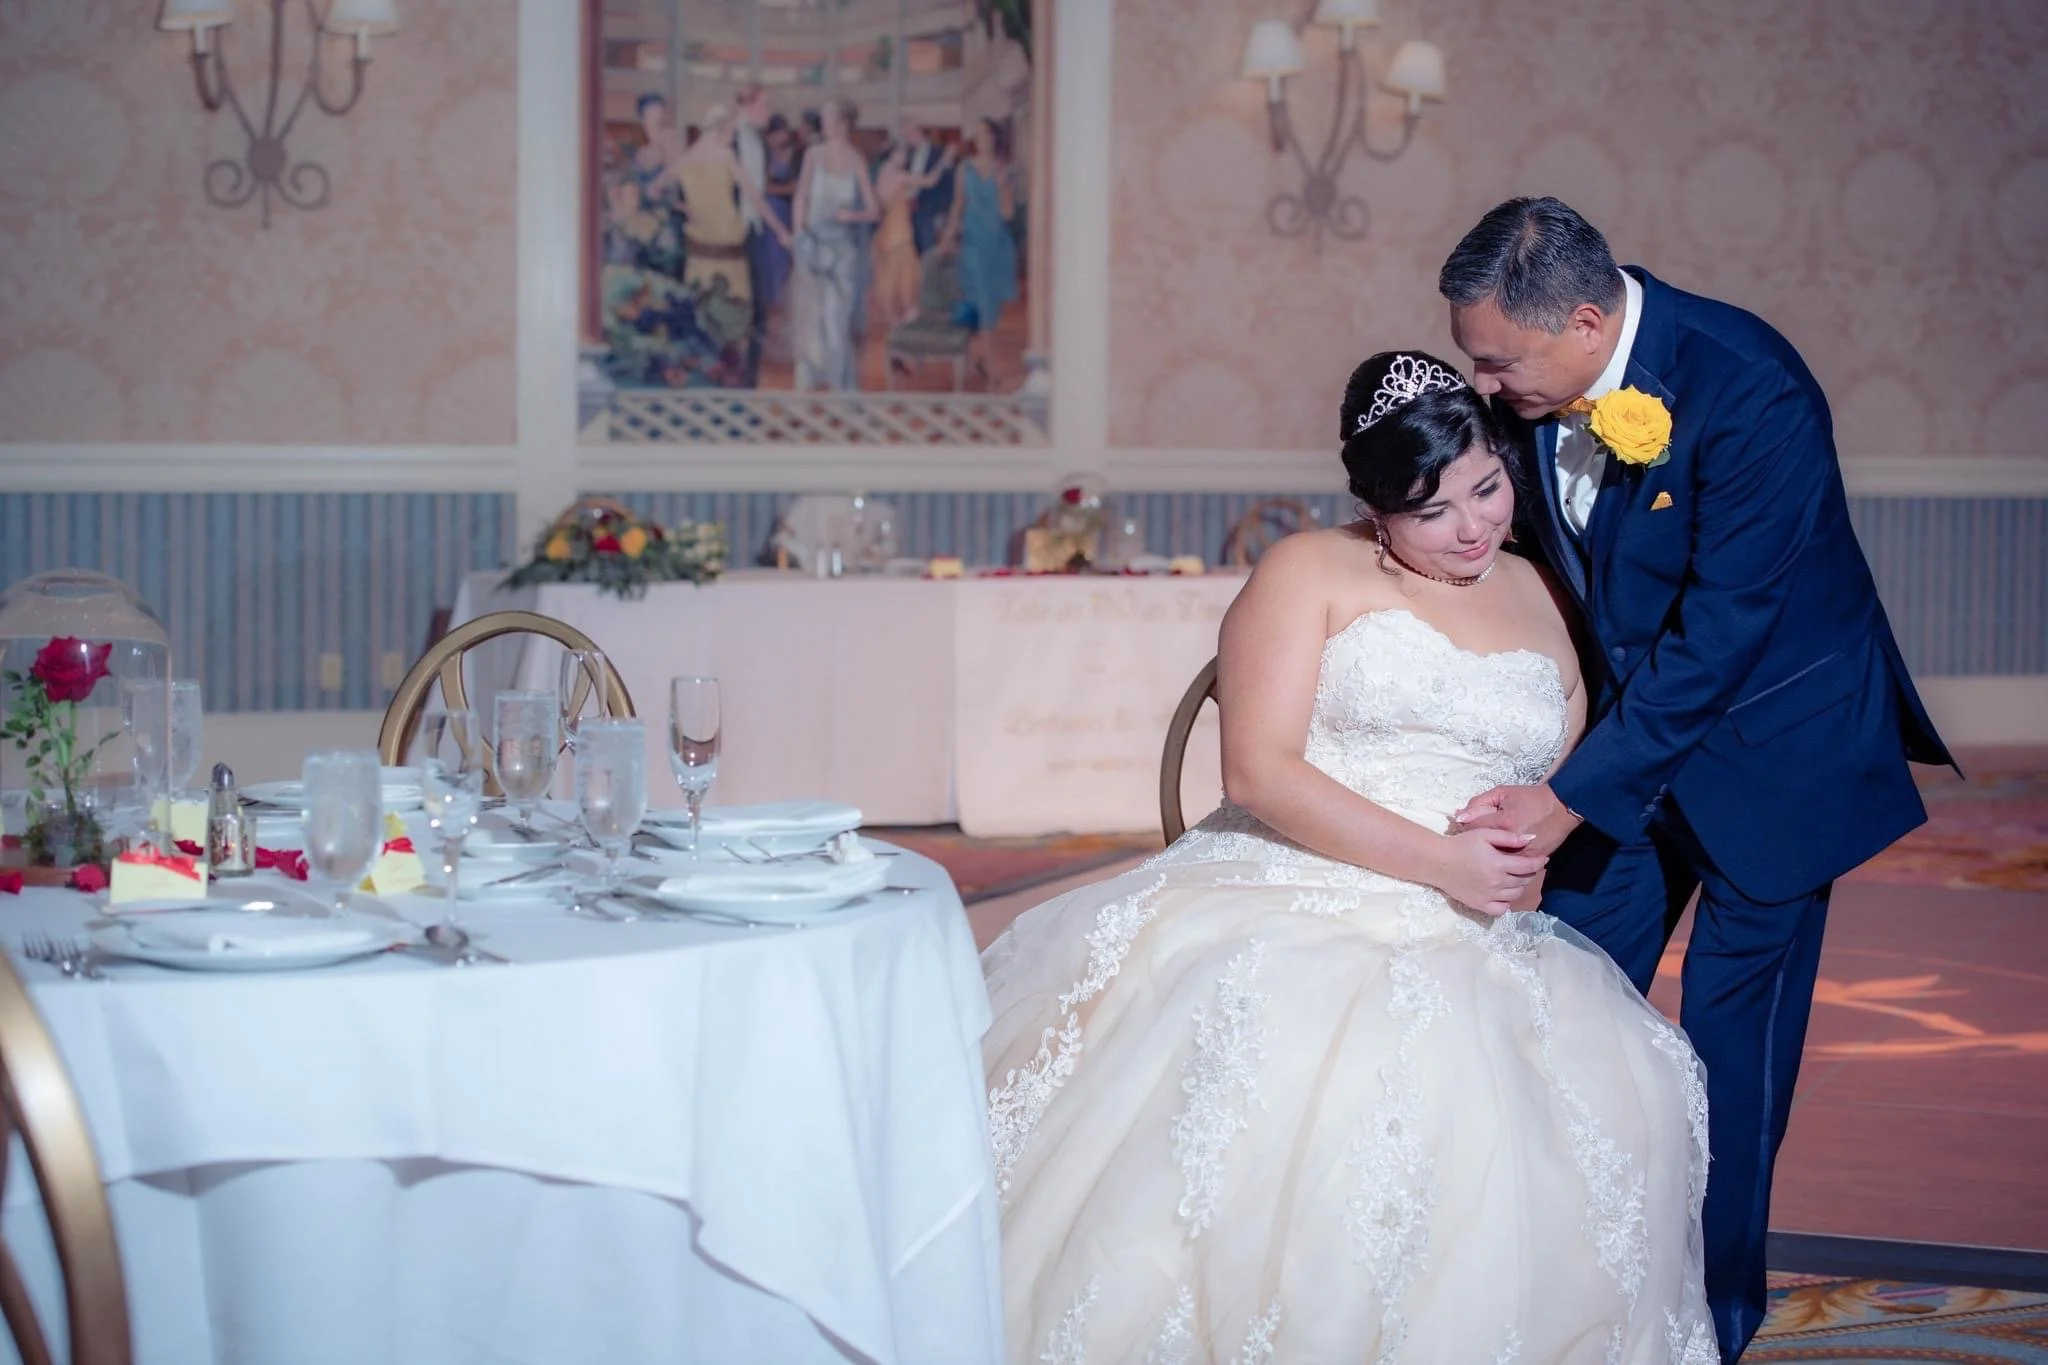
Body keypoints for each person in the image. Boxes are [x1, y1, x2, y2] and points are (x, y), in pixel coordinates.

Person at [984, 350, 1717, 1363]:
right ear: (1375, 510)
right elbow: (1258, 774)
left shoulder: (1549, 591)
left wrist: (1528, 839)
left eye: (1487, 489)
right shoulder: (1305, 570)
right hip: (1289, 879)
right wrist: (1441, 863)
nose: (1470, 528)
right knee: (1295, 1047)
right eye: (1430, 512)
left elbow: (1559, 772)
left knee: (1622, 1080)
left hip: (1479, 923)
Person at [1437, 197, 1953, 1361]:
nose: (1484, 382)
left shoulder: (1748, 383)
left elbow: (1723, 632)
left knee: (1730, 1062)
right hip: (1628, 759)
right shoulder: (1529, 395)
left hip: (1775, 754)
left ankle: (1708, 1322)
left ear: (1579, 321)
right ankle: (1568, 1279)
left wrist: (1566, 793)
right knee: (1558, 1000)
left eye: (1496, 359)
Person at [789, 99, 879, 391]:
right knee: (809, 321)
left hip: (842, 252)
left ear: (843, 124)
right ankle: (808, 388)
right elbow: (800, 196)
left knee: (836, 323)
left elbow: (873, 210)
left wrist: (850, 215)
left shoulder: (856, 160)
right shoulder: (813, 155)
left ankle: (842, 391)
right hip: (812, 246)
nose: (823, 123)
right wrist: (799, 234)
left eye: (828, 118)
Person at [939, 116, 1018, 388]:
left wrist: (1000, 186)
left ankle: (986, 365)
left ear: (995, 138)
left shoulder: (1003, 170)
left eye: (987, 134)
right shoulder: (965, 168)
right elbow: (957, 205)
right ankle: (985, 367)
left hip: (996, 246)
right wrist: (948, 238)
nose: (982, 139)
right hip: (972, 246)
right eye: (978, 134)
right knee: (977, 306)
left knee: (990, 311)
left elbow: (1007, 213)